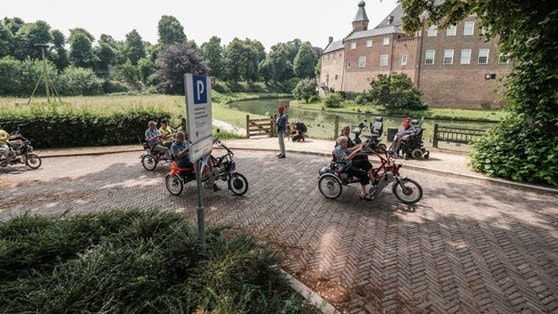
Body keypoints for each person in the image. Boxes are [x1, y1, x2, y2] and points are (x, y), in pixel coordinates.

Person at [334, 136, 370, 200]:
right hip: (345, 167)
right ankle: (363, 193)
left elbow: (350, 149)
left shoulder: (342, 147)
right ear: (340, 143)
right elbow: (347, 159)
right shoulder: (338, 150)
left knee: (364, 161)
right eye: (344, 142)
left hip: (349, 164)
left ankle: (372, 179)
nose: (346, 143)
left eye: (346, 142)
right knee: (363, 173)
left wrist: (360, 145)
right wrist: (357, 150)